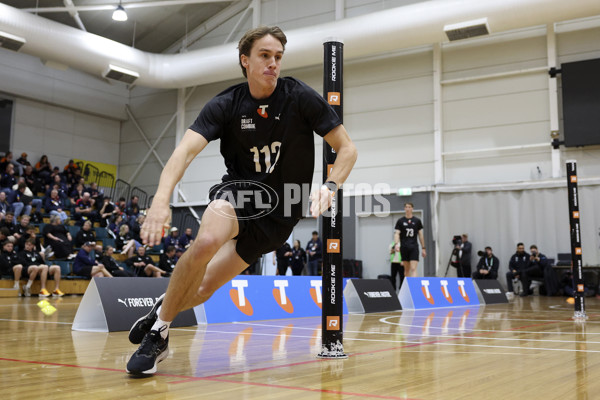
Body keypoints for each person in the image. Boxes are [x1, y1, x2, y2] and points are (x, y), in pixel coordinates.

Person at [125, 25, 357, 375]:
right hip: (240, 194)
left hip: (281, 214)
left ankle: (162, 308)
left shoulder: (299, 97)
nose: (273, 63)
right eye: (265, 56)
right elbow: (184, 152)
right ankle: (159, 334)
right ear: (245, 60)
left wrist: (331, 185)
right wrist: (161, 200)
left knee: (203, 289)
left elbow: (347, 148)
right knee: (205, 241)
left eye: (278, 57)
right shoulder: (226, 104)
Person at [394, 203, 426, 278]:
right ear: (404, 209)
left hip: (414, 247)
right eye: (406, 207)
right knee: (406, 270)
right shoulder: (400, 221)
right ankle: (408, 287)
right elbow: (397, 233)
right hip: (404, 247)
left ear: (412, 209)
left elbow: (421, 235)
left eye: (409, 207)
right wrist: (396, 244)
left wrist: (423, 248)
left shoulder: (417, 221)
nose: (408, 209)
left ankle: (414, 287)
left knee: (413, 268)